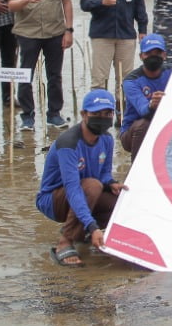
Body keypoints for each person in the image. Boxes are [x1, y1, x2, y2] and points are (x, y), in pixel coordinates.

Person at [35, 89, 127, 267]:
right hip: (54, 198)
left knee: (120, 201)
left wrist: (112, 184)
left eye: (107, 113)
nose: (102, 118)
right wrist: (93, 226)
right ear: (84, 114)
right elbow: (73, 188)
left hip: (85, 192)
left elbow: (104, 174)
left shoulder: (107, 139)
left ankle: (82, 232)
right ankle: (65, 241)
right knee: (92, 187)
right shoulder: (68, 143)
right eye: (96, 113)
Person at [5, 0, 75, 130]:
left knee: (54, 75)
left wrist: (69, 30)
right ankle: (27, 116)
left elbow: (67, 1)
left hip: (55, 32)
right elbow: (10, 5)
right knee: (25, 75)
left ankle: (54, 114)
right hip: (28, 33)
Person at [121, 33, 172, 160]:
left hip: (164, 124)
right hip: (134, 132)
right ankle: (136, 172)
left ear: (164, 55)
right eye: (149, 54)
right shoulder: (131, 81)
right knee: (143, 124)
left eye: (158, 53)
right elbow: (142, 109)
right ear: (141, 56)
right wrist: (152, 105)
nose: (153, 57)